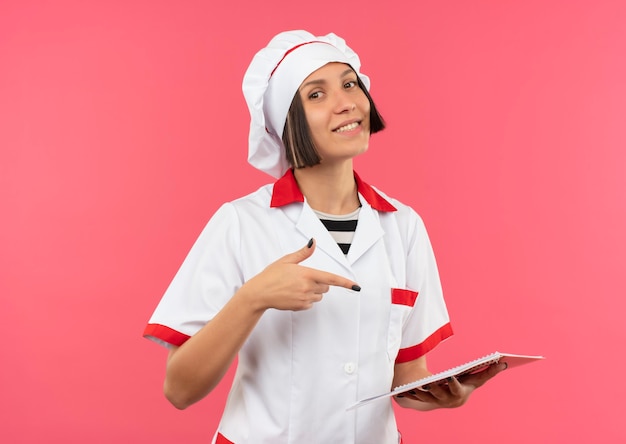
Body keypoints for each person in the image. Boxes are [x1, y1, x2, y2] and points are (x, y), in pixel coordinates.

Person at [144, 30, 506, 444]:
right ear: (287, 122)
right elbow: (179, 390)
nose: (347, 102)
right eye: (316, 95)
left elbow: (407, 379)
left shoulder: (403, 226)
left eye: (350, 84)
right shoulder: (240, 223)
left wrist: (441, 395)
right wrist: (253, 298)